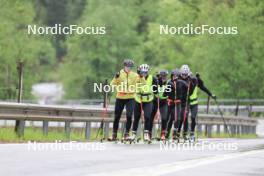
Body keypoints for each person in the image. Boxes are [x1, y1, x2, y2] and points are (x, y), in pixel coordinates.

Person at [109, 59, 138, 141]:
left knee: (129, 115)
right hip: (120, 97)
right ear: (124, 66)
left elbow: (140, 84)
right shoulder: (119, 74)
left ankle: (126, 134)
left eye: (130, 67)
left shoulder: (135, 75)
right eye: (127, 66)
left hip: (130, 98)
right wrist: (115, 78)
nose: (128, 68)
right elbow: (112, 84)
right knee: (117, 116)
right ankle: (114, 134)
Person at [188, 72, 216, 141]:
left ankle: (192, 133)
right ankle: (184, 133)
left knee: (193, 118)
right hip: (186, 103)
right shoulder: (184, 83)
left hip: (194, 103)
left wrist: (211, 94)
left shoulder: (195, 82)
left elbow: (204, 88)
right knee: (184, 118)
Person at [130, 64, 154, 142]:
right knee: (136, 117)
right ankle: (133, 133)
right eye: (142, 72)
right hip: (138, 99)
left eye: (145, 72)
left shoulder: (151, 78)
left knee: (147, 116)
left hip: (148, 100)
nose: (144, 74)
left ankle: (146, 133)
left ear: (147, 72)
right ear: (139, 71)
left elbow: (157, 87)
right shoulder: (137, 77)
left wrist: (159, 81)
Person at [165, 68, 188, 141]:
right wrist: (169, 88)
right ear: (171, 76)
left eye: (176, 76)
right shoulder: (169, 83)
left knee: (177, 118)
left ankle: (175, 132)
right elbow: (165, 93)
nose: (175, 77)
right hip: (170, 103)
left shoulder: (182, 83)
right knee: (170, 118)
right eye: (173, 76)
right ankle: (166, 133)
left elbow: (187, 90)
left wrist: (183, 99)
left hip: (177, 103)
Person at [150, 70, 169, 140]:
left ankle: (163, 133)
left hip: (164, 102)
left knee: (164, 118)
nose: (164, 78)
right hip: (155, 101)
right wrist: (157, 81)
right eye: (162, 76)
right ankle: (149, 132)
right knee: (151, 117)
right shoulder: (156, 82)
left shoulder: (168, 83)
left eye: (165, 76)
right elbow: (154, 89)